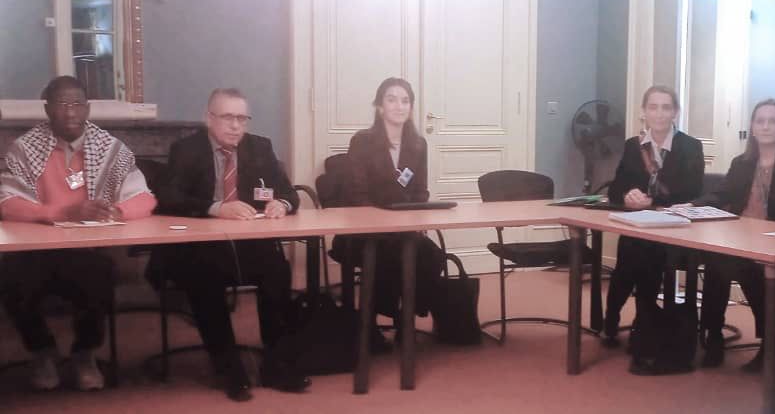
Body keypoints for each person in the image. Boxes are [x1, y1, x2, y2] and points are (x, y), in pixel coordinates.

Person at [150, 88, 309, 402]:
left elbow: (290, 193)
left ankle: (277, 365)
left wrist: (281, 204)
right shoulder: (186, 149)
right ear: (209, 118)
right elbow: (168, 197)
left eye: (242, 118)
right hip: (200, 245)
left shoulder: (260, 148)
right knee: (204, 277)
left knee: (277, 270)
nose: (236, 126)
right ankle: (228, 368)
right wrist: (215, 208)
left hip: (248, 243)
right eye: (228, 117)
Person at [0, 76, 156, 391]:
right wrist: (61, 213)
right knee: (9, 278)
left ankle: (85, 353)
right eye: (62, 104)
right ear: (48, 109)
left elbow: (145, 198)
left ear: (87, 108)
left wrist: (115, 211)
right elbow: (8, 203)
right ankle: (42, 351)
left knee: (99, 275)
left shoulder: (110, 149)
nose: (70, 112)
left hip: (86, 251)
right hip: (33, 252)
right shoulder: (24, 149)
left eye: (77, 104)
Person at [332, 77, 445, 348]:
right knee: (389, 255)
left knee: (431, 256)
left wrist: (418, 219)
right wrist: (382, 221)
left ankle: (406, 318)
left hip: (403, 228)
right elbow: (356, 193)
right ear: (380, 107)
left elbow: (420, 191)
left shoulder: (418, 144)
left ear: (411, 107)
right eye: (391, 99)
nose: (399, 106)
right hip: (364, 230)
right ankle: (370, 325)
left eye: (405, 101)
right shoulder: (362, 141)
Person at [698, 98, 775, 370]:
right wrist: (692, 205)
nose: (766, 126)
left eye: (773, 121)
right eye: (760, 121)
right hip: (740, 241)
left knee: (744, 266)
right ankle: (714, 335)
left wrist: (765, 238)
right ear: (752, 126)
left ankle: (770, 345)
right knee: (717, 259)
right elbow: (722, 194)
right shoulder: (741, 163)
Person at [602, 85, 704, 348]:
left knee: (641, 254)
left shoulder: (690, 147)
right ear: (643, 112)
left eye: (666, 107)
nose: (659, 114)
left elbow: (692, 191)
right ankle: (618, 318)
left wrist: (653, 201)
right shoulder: (633, 145)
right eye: (653, 107)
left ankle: (641, 320)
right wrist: (627, 195)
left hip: (675, 230)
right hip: (639, 226)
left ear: (675, 112)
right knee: (631, 253)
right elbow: (615, 187)